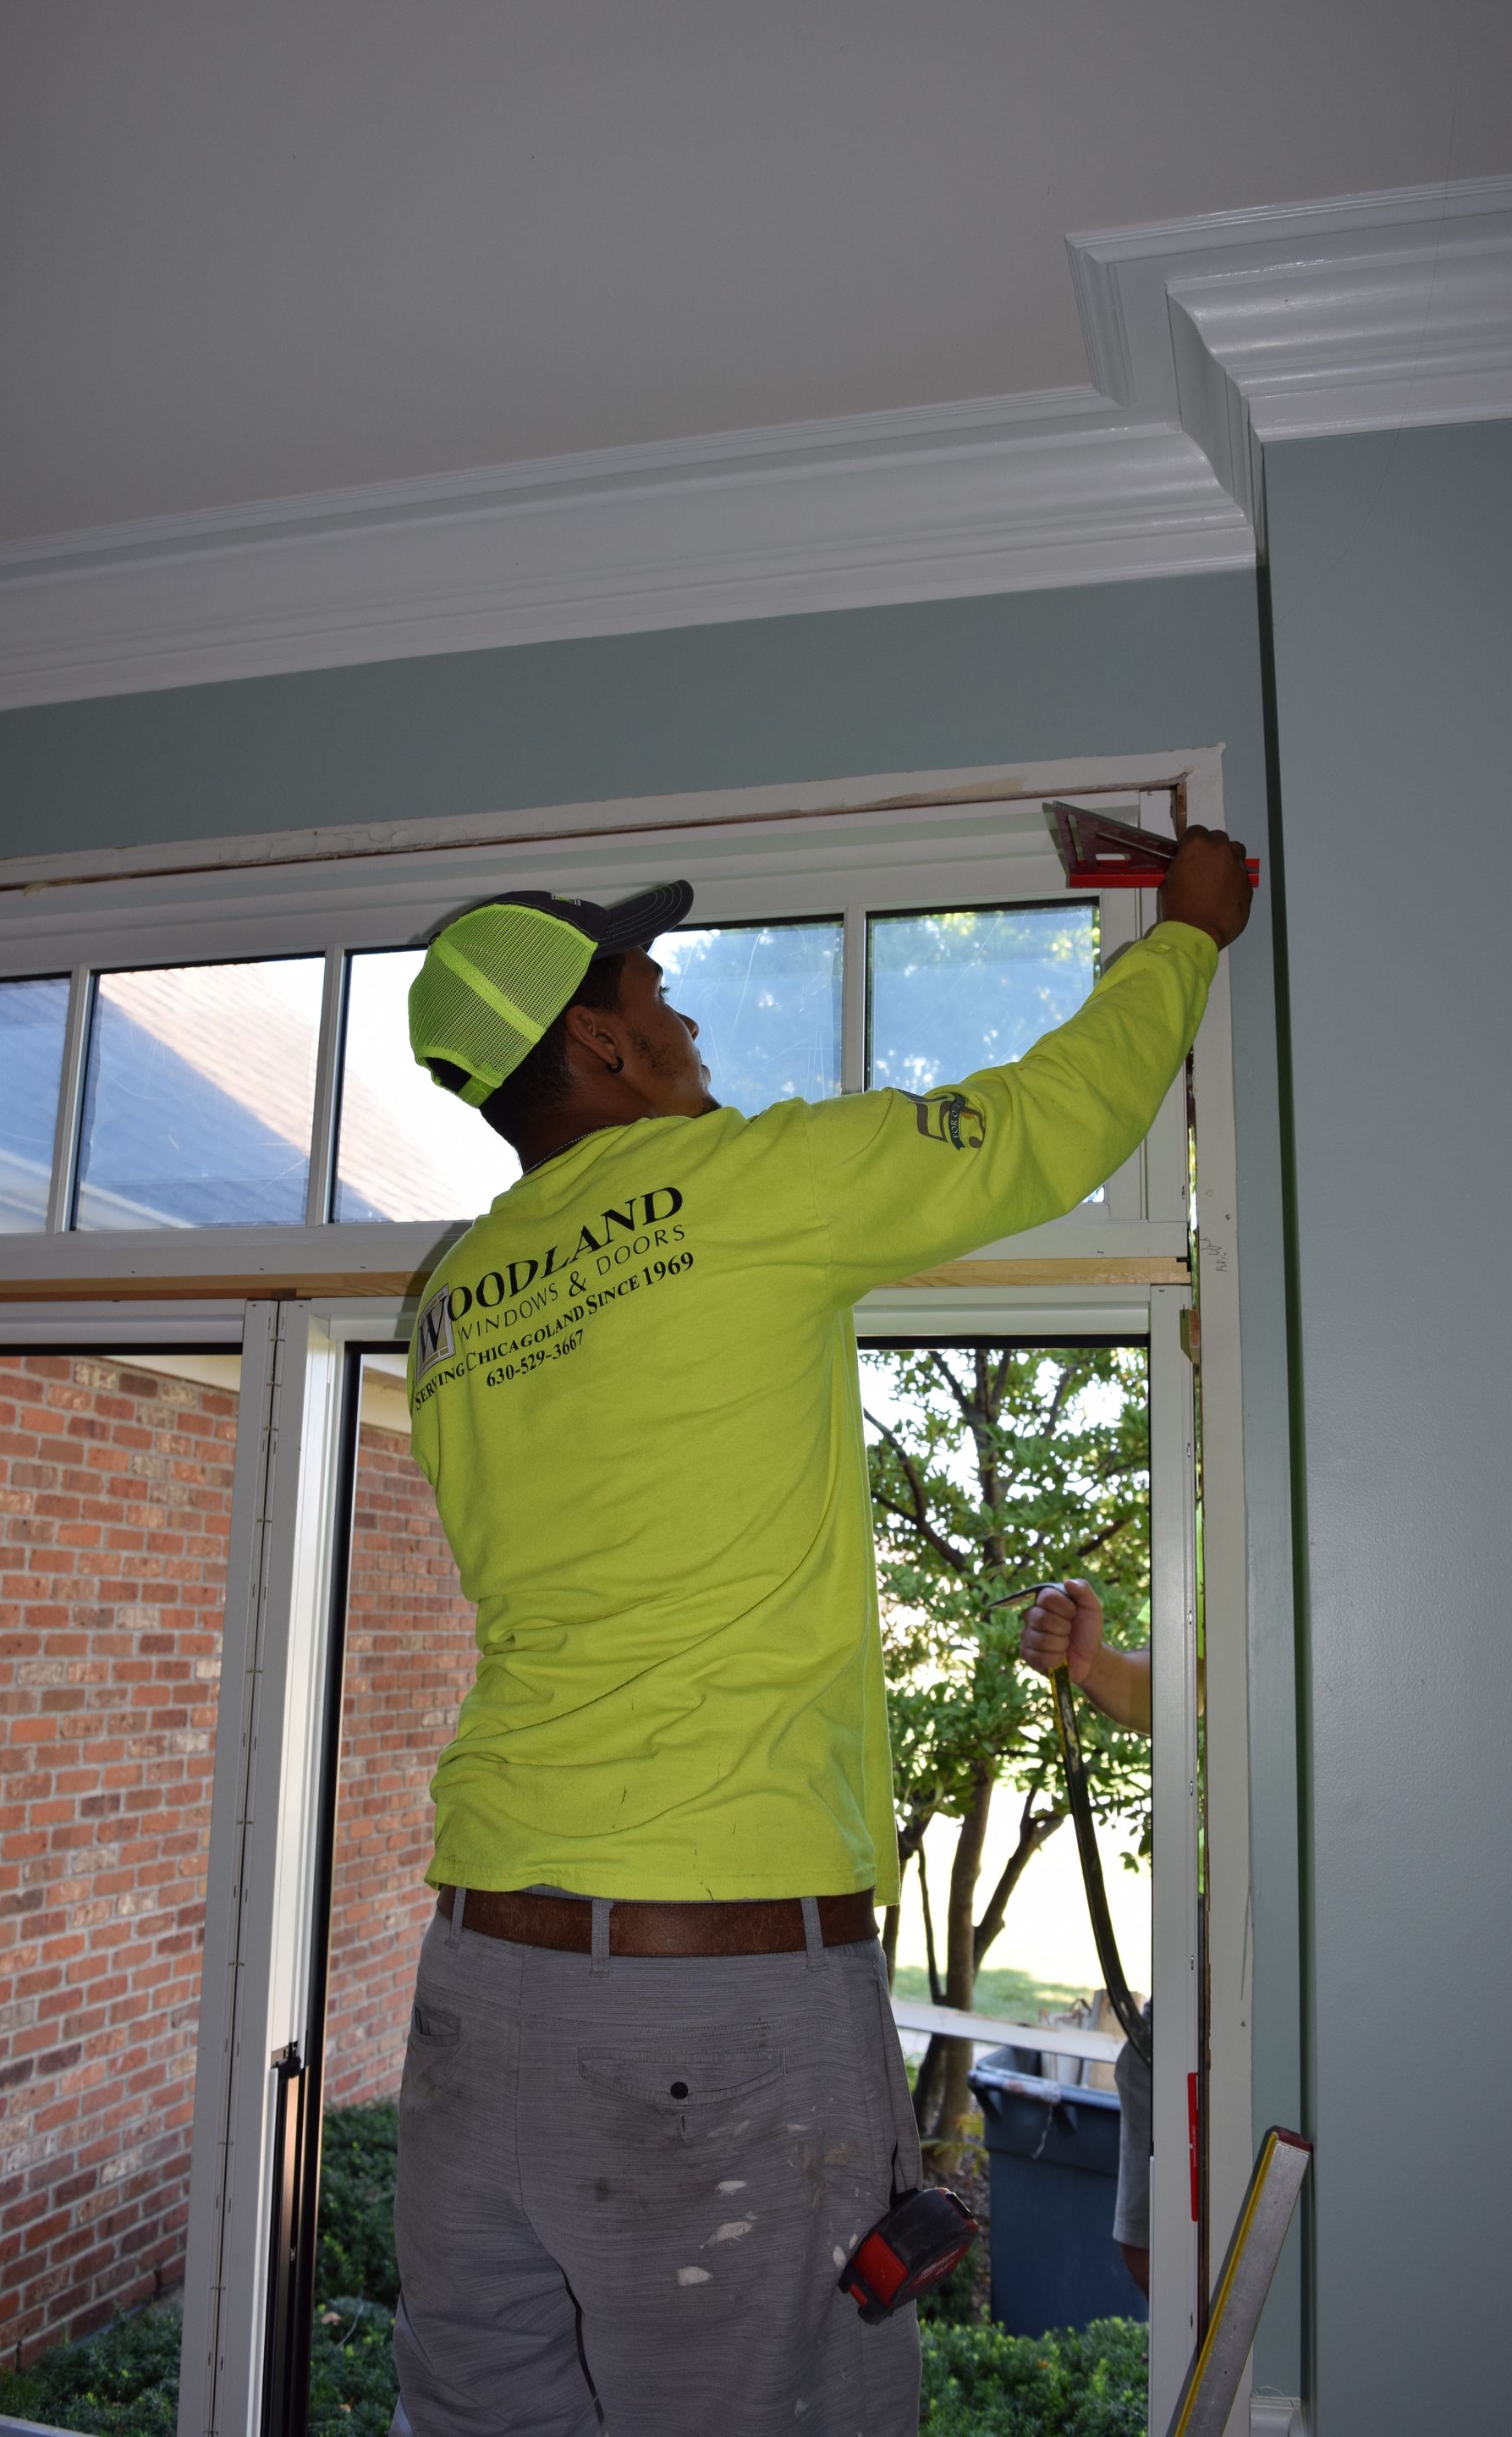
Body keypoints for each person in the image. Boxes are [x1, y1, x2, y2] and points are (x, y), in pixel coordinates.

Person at [393, 831, 1251, 2436]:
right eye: (654, 983)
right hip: (700, 2017)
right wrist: (1184, 943)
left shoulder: (452, 1301)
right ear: (596, 1037)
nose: (684, 1009)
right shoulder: (725, 1187)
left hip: (478, 2000)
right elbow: (1035, 1130)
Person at [1018, 1577, 1152, 2297]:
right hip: (1218, 1945)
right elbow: (1183, 1686)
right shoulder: (1232, 1554)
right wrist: (1090, 1664)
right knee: (1155, 2246)